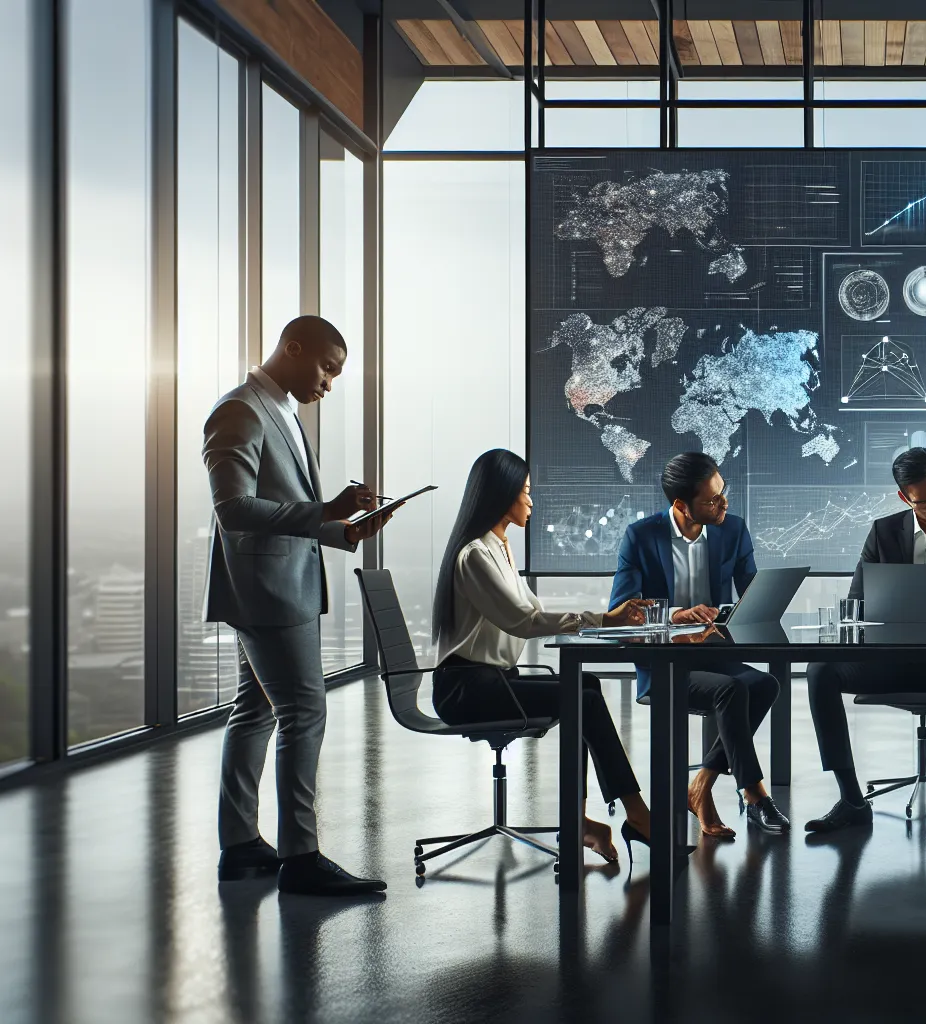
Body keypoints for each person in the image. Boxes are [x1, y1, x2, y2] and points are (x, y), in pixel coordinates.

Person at [209, 315, 395, 896]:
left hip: (280, 587)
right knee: (304, 712)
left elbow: (287, 507)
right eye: (328, 368)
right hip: (267, 594)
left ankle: (240, 845)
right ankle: (301, 857)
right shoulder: (239, 409)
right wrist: (324, 510)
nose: (330, 384)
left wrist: (345, 529)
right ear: (293, 348)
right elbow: (233, 509)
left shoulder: (281, 410)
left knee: (257, 711)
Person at [432, 449, 653, 864]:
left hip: (494, 681)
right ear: (502, 496)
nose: (531, 503)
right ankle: (634, 814)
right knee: (582, 696)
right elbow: (522, 621)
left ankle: (583, 821)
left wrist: (606, 620)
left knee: (585, 685)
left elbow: (532, 609)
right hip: (466, 689)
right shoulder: (476, 555)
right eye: (526, 493)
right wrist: (601, 619)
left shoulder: (499, 548)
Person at [803, 447, 926, 837]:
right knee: (821, 670)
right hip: (889, 660)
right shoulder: (883, 532)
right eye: (924, 501)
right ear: (904, 497)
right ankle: (851, 799)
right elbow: (855, 603)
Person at [608, 452, 790, 838]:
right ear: (681, 506)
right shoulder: (641, 537)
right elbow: (621, 612)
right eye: (711, 499)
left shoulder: (733, 530)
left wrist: (754, 605)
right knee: (732, 690)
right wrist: (675, 615)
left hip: (717, 657)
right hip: (664, 665)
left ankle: (701, 784)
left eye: (723, 493)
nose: (723, 503)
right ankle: (755, 794)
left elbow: (751, 596)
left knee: (765, 684)